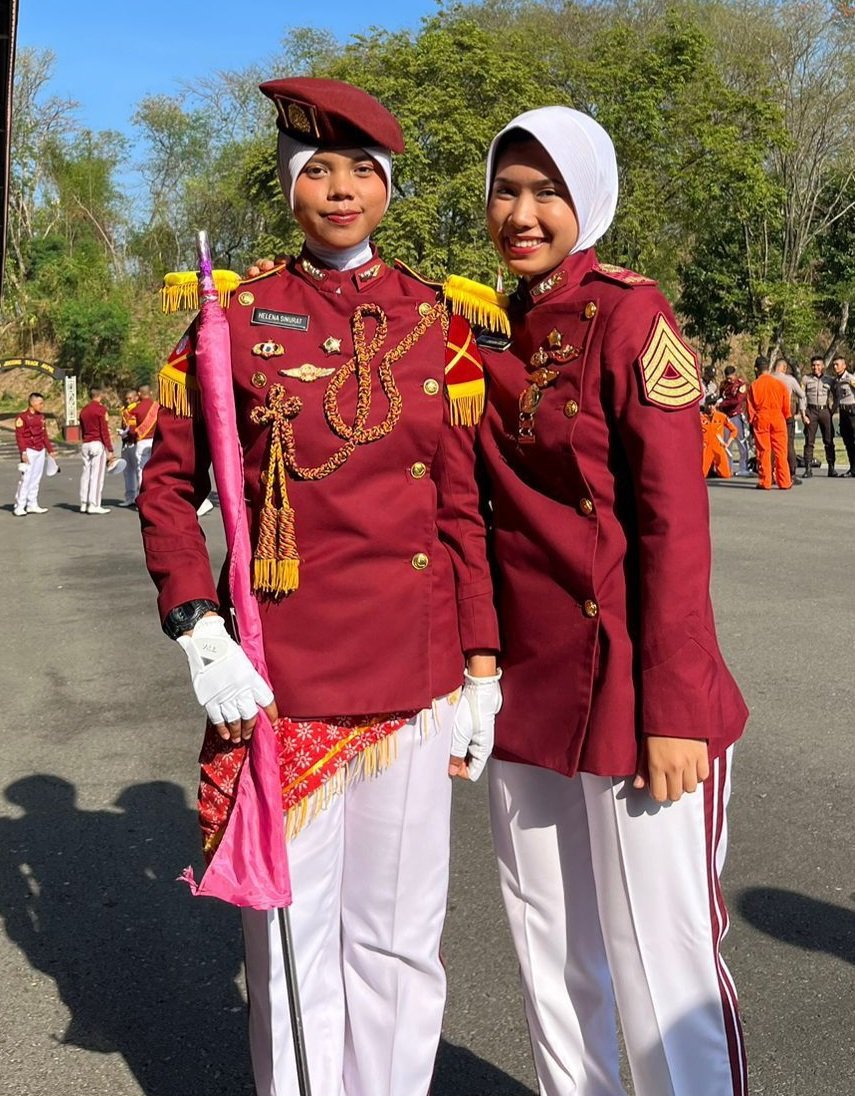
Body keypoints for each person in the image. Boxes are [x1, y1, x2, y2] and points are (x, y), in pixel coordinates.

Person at [137, 78, 502, 1096]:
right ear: (290, 186)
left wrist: (482, 667)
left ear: (387, 189)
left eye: (363, 171)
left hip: (414, 673)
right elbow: (166, 489)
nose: (342, 190)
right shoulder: (230, 320)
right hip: (284, 673)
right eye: (319, 170)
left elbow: (461, 512)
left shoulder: (441, 322)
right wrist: (198, 626)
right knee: (291, 942)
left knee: (399, 940)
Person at [478, 107, 748, 1096]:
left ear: (589, 199)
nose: (522, 214)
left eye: (547, 192)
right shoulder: (484, 328)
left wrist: (676, 710)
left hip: (637, 694)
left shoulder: (634, 316)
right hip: (529, 691)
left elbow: (675, 529)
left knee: (661, 967)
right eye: (506, 190)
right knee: (551, 958)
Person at [748, 357, 793, 490]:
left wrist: (752, 421)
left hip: (762, 418)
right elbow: (786, 405)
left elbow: (750, 408)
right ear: (769, 367)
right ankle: (784, 481)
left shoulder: (754, 385)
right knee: (781, 451)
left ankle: (765, 481)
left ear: (756, 369)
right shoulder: (779, 384)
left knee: (764, 451)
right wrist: (785, 416)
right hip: (778, 418)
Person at [13, 392, 55, 516]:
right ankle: (20, 505)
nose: (42, 406)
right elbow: (19, 436)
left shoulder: (41, 417)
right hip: (29, 450)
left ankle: (32, 504)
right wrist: (23, 452)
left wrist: (50, 450)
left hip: (40, 449)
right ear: (32, 403)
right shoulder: (22, 417)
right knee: (26, 478)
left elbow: (44, 435)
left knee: (36, 478)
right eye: (40, 403)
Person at [78, 387, 116, 514]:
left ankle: (84, 503)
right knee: (97, 475)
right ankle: (94, 504)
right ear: (101, 395)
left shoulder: (83, 410)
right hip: (97, 443)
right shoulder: (101, 410)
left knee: (86, 474)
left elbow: (82, 428)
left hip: (86, 443)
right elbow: (104, 430)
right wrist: (109, 448)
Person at [771, 357, 807, 481]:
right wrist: (802, 410)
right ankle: (791, 472)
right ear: (784, 368)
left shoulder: (768, 379)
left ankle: (771, 472)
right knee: (788, 443)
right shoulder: (789, 380)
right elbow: (802, 395)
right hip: (786, 414)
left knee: (772, 444)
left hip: (772, 414)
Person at [801, 355, 836, 477]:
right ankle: (808, 469)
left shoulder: (829, 380)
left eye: (818, 365)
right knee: (809, 441)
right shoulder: (806, 379)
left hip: (825, 411)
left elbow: (837, 395)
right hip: (811, 411)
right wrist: (803, 414)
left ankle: (831, 468)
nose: (815, 367)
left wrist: (833, 410)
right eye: (813, 365)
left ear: (823, 366)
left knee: (829, 440)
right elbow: (802, 397)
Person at [718, 364, 750, 475]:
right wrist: (720, 403)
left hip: (736, 415)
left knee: (741, 442)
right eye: (727, 378)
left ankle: (743, 467)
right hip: (726, 416)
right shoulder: (723, 385)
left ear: (735, 375)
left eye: (731, 378)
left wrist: (722, 403)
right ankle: (728, 468)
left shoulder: (741, 384)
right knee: (727, 443)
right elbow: (720, 397)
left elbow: (737, 400)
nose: (729, 380)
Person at [830, 355, 855, 475]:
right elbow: (836, 398)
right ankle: (853, 468)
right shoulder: (835, 381)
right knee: (848, 442)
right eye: (834, 365)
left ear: (844, 366)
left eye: (837, 364)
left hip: (852, 412)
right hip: (843, 413)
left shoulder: (850, 378)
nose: (835, 367)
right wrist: (831, 411)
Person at [133, 383, 159, 490]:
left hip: (142, 442)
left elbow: (131, 430)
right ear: (150, 392)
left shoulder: (136, 408)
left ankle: (143, 494)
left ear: (139, 394)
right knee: (155, 469)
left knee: (141, 470)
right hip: (155, 441)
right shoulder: (157, 407)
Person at [701, 403, 738, 478]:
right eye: (709, 404)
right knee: (702, 474)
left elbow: (734, 430)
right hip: (706, 447)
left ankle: (715, 470)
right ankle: (709, 470)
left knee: (726, 475)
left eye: (713, 404)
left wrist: (728, 442)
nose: (711, 407)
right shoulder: (700, 417)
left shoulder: (721, 416)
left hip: (718, 447)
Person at [118, 387, 139, 505]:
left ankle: (139, 497)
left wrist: (128, 434)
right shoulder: (124, 410)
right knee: (127, 472)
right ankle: (130, 497)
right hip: (125, 443)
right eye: (126, 398)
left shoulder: (136, 409)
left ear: (136, 397)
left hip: (134, 442)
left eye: (130, 398)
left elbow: (135, 427)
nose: (128, 401)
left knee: (138, 471)